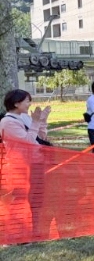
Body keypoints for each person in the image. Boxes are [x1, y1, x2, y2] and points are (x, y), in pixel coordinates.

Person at [0, 90, 52, 241]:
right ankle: (15, 235)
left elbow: (40, 137)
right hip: (20, 166)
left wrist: (42, 121)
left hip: (36, 163)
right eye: (27, 101)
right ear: (16, 103)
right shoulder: (7, 122)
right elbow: (28, 142)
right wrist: (35, 122)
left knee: (36, 199)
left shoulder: (25, 118)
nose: (29, 104)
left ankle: (33, 232)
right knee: (20, 200)